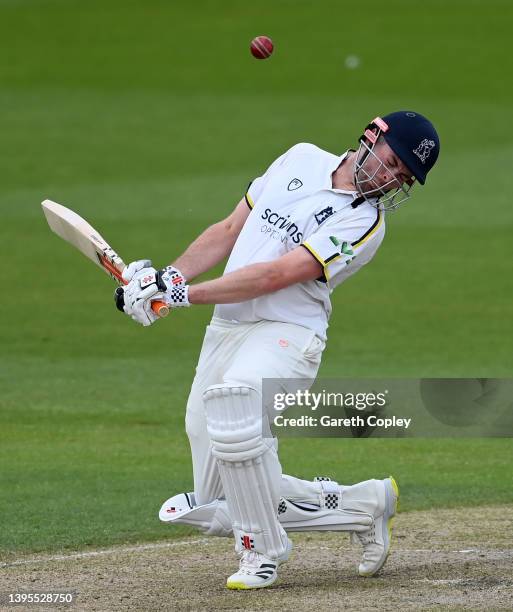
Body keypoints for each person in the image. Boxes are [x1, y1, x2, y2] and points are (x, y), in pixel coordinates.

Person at [115, 111, 440, 590]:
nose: (391, 179)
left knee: (236, 401)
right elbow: (227, 230)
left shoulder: (364, 224)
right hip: (229, 328)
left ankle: (263, 551)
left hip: (288, 334)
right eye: (393, 163)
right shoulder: (301, 157)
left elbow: (275, 276)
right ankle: (363, 505)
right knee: (220, 498)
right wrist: (166, 278)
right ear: (372, 135)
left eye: (403, 177)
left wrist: (177, 296)